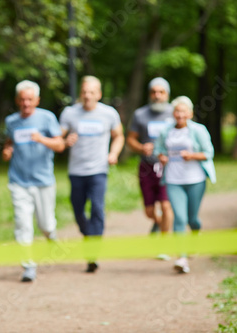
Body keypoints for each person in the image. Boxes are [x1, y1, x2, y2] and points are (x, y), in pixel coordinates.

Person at [59, 75, 125, 273]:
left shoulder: (109, 113)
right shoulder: (70, 113)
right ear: (81, 93)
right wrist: (65, 142)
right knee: (78, 209)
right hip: (76, 171)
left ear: (99, 94)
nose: (88, 96)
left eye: (92, 92)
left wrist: (113, 153)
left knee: (97, 207)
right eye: (84, 92)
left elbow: (119, 136)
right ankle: (89, 236)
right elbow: (58, 138)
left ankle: (92, 252)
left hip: (98, 170)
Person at [2, 80, 65, 282]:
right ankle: (28, 266)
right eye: (22, 99)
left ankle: (51, 237)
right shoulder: (11, 121)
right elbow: (9, 142)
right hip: (19, 181)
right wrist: (7, 151)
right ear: (17, 100)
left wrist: (42, 139)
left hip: (43, 181)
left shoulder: (47, 118)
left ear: (37, 100)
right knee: (23, 224)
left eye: (30, 99)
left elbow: (60, 145)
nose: (26, 103)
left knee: (45, 223)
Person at [154, 96, 216, 274]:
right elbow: (158, 150)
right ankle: (182, 257)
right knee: (179, 218)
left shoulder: (198, 130)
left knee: (192, 219)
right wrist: (161, 156)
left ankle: (196, 232)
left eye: (183, 111)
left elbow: (208, 153)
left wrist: (192, 156)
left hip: (195, 180)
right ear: (173, 113)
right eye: (177, 111)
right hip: (173, 180)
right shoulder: (166, 131)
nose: (180, 114)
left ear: (190, 113)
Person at [127, 77, 174, 237]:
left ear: (167, 94)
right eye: (154, 92)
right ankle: (160, 223)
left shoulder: (175, 113)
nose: (157, 95)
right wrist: (141, 147)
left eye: (161, 92)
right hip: (146, 167)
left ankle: (164, 243)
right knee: (149, 211)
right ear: (149, 94)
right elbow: (130, 139)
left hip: (168, 167)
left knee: (166, 206)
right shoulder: (140, 114)